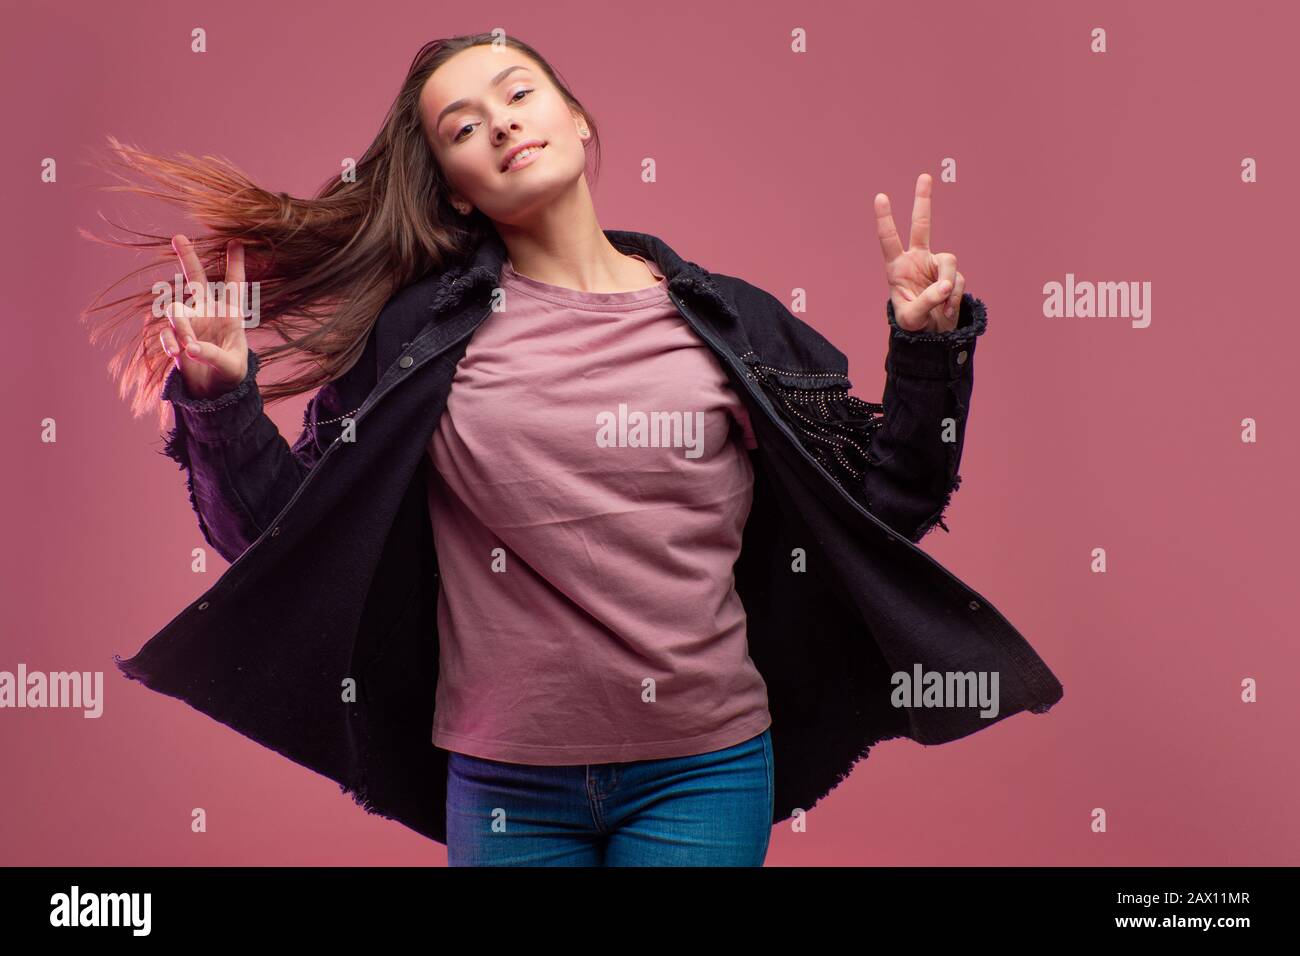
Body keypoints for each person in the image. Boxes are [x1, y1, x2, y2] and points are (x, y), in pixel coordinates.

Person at [87, 32, 1057, 867]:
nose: (500, 124)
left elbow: (886, 509)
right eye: (461, 126)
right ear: (456, 190)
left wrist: (925, 345)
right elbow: (277, 541)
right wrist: (218, 396)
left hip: (705, 768)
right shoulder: (417, 339)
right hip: (505, 779)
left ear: (578, 122)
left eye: (517, 94)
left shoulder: (735, 323)